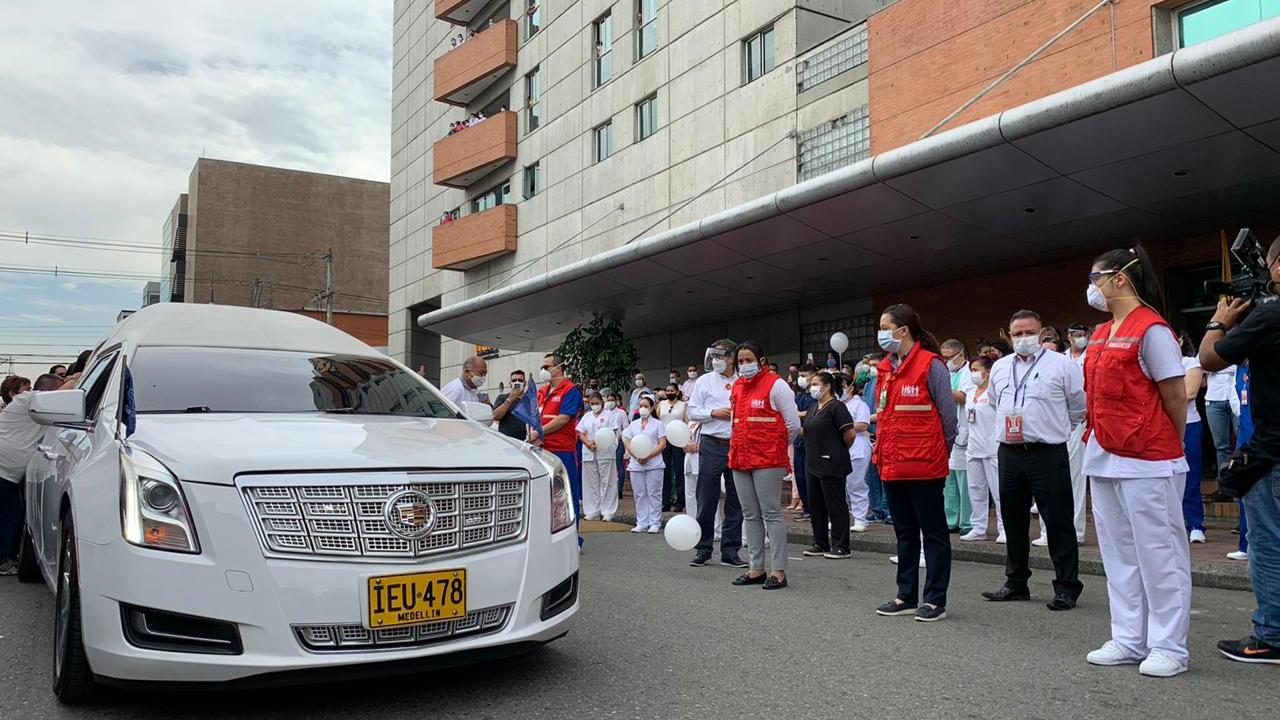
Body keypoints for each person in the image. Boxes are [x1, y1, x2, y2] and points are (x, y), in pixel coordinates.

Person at [1082, 246, 1192, 677]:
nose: (1091, 287)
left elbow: (1175, 396)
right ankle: (1129, 638)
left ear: (1120, 278)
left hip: (1148, 456)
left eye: (1095, 277)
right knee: (1118, 553)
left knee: (1159, 553)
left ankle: (1169, 646)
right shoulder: (1100, 332)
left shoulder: (1153, 329)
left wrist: (1169, 443)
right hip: (1104, 453)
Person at [1197, 233, 1280, 665]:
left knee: (1268, 545)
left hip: (1274, 450)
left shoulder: (1271, 316)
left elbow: (1209, 359)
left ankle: (1271, 637)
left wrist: (1219, 321)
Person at [983, 309, 1086, 612]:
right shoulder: (1001, 367)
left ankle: (1066, 586)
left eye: (1029, 332)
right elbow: (994, 402)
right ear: (1009, 335)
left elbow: (1077, 406)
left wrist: (1052, 429)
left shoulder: (1062, 365)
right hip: (1009, 452)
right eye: (1017, 333)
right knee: (1013, 520)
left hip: (1046, 451)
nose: (1023, 338)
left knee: (1057, 520)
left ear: (1041, 334)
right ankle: (1016, 582)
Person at [872, 304, 957, 622]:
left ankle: (935, 600)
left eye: (885, 327)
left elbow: (948, 418)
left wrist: (939, 452)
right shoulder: (886, 369)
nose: (881, 333)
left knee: (933, 533)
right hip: (893, 464)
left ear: (903, 330)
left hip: (924, 464)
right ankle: (905, 595)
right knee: (905, 533)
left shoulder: (930, 365)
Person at [727, 341, 800, 589]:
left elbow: (792, 425)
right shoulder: (738, 386)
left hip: (768, 458)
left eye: (749, 360)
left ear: (761, 361)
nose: (744, 365)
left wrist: (776, 446)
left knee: (771, 513)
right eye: (740, 361)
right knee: (750, 514)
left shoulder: (776, 385)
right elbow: (735, 421)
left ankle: (778, 570)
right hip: (740, 457)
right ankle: (756, 568)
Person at [687, 339, 746, 568]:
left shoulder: (743, 380)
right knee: (706, 497)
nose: (715, 361)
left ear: (731, 358)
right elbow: (693, 411)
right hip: (711, 443)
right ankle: (703, 548)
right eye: (713, 356)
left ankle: (730, 551)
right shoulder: (704, 381)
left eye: (720, 356)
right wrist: (713, 413)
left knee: (736, 498)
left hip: (737, 443)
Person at [0, 374, 67, 574]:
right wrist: (74, 379)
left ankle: (3, 559)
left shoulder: (40, 411)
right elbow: (64, 393)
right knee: (10, 514)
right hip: (3, 472)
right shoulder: (27, 400)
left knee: (12, 513)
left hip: (9, 476)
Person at [801, 371, 856, 559]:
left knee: (835, 504)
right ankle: (820, 542)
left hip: (832, 461)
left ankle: (841, 545)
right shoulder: (813, 407)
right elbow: (807, 430)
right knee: (816, 505)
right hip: (812, 461)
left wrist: (837, 450)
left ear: (827, 387)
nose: (813, 387)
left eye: (816, 384)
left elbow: (849, 434)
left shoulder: (837, 407)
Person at [537, 354, 584, 544]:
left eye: (547, 367)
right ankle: (550, 537)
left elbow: (563, 419)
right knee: (546, 495)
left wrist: (539, 432)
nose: (543, 370)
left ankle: (573, 540)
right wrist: (533, 433)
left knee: (566, 494)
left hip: (562, 450)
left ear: (558, 368)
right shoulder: (542, 391)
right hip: (541, 449)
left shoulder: (571, 390)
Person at [961, 355, 1005, 543]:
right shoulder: (970, 392)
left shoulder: (995, 392)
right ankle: (978, 528)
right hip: (973, 446)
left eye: (976, 370)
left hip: (993, 447)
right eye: (971, 370)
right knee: (975, 489)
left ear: (987, 372)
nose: (973, 374)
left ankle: (1005, 528)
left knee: (999, 491)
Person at [940, 339, 974, 535]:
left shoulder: (969, 373)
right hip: (947, 431)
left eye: (949, 357)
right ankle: (950, 520)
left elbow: (964, 397)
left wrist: (943, 388)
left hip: (964, 431)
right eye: (943, 357)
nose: (946, 361)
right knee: (949, 480)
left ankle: (966, 521)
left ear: (960, 355)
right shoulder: (948, 373)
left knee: (964, 479)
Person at [622, 395, 666, 533]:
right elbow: (627, 441)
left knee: (654, 493)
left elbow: (662, 444)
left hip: (654, 463)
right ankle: (641, 522)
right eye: (641, 406)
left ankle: (654, 523)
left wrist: (648, 455)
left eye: (646, 406)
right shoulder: (633, 424)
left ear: (652, 408)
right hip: (636, 464)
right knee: (639, 494)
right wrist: (636, 455)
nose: (643, 409)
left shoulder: (658, 424)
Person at [1178, 333, 1207, 543]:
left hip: (1189, 424)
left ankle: (1195, 524)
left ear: (1180, 340)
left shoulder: (1189, 363)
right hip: (1163, 426)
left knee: (1191, 476)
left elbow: (1189, 393)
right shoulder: (1154, 364)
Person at [578, 392, 619, 522]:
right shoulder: (587, 416)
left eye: (597, 403)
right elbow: (580, 432)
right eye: (592, 403)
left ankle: (608, 511)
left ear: (602, 402)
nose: (594, 405)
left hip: (605, 450)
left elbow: (612, 432)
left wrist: (597, 442)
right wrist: (588, 443)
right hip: (589, 451)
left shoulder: (609, 415)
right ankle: (592, 510)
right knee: (590, 482)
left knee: (607, 482)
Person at [1204, 363, 1240, 500]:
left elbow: (1242, 364)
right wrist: (1229, 365)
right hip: (1214, 398)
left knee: (1243, 445)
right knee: (1221, 446)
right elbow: (1203, 364)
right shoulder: (1211, 349)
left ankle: (1241, 484)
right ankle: (1224, 489)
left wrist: (1216, 367)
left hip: (1237, 397)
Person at [1228, 362, 1252, 562]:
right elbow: (1235, 400)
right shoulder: (1240, 368)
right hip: (1245, 438)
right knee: (1244, 493)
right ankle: (1245, 545)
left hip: (1266, 438)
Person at [843, 374, 873, 533]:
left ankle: (860, 519)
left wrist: (840, 425)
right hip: (839, 448)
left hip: (857, 447)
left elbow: (862, 424)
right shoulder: (835, 405)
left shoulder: (859, 405)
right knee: (839, 487)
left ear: (850, 387)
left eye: (842, 386)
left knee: (856, 484)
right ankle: (840, 519)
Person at [789, 364, 817, 517]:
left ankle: (814, 509)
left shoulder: (816, 396)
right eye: (800, 375)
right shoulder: (799, 396)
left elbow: (814, 412)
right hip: (798, 441)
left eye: (804, 375)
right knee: (799, 476)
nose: (801, 379)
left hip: (812, 441)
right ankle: (806, 508)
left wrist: (799, 414)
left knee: (810, 476)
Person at [658, 383, 687, 512]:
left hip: (679, 439)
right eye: (667, 391)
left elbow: (686, 421)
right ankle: (666, 501)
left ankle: (680, 501)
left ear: (677, 392)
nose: (669, 393)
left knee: (679, 471)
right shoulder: (661, 404)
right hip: (665, 440)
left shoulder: (683, 405)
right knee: (666, 471)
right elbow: (658, 421)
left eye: (672, 391)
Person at [492, 369, 530, 440]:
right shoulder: (502, 398)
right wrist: (509, 400)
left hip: (526, 441)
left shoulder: (530, 400)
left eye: (520, 380)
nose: (517, 382)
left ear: (525, 383)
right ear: (510, 383)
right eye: (514, 380)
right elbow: (496, 416)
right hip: (507, 440)